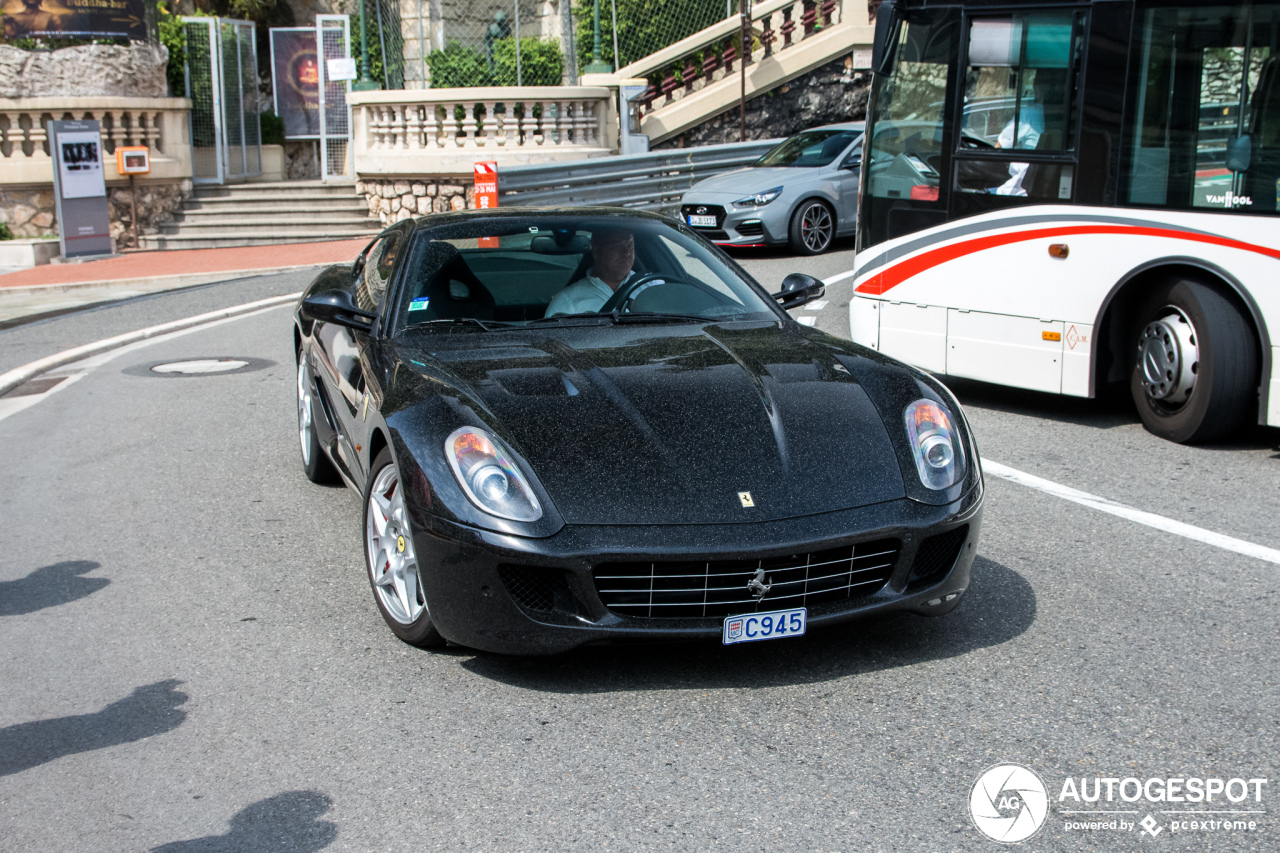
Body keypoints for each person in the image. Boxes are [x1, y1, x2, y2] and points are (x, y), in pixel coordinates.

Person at [544, 228, 635, 317]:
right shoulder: (567, 302)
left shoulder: (647, 286)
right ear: (596, 251)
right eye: (617, 246)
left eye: (630, 245)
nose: (627, 253)